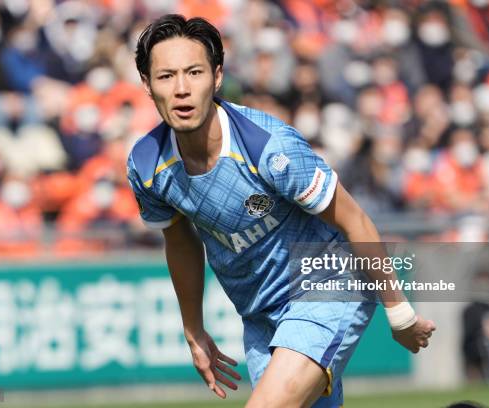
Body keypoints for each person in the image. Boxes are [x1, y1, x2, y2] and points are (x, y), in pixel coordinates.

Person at [127, 14, 436, 408]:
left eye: (194, 72)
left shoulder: (269, 148)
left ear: (217, 77)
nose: (182, 89)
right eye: (167, 76)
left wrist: (400, 313)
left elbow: (353, 219)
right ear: (148, 86)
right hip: (260, 315)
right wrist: (194, 329)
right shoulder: (147, 165)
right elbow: (180, 239)